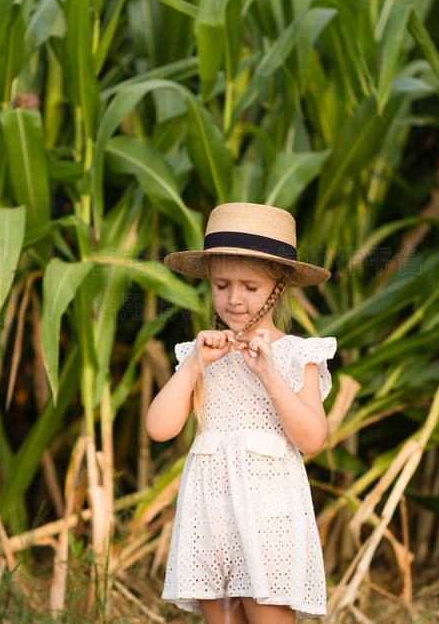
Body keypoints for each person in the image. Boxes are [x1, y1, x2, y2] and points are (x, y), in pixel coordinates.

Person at [148, 202, 336, 623]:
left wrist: (268, 374)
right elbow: (160, 428)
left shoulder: (294, 356)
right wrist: (194, 363)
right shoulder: (202, 355)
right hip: (209, 516)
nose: (234, 299)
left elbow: (311, 439)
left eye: (251, 287)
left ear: (279, 286)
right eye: (221, 285)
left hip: (270, 519)